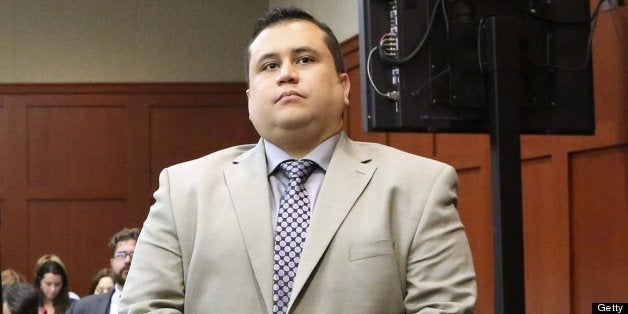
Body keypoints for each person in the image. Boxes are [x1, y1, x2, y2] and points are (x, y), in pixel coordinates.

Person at [120, 6, 476, 313]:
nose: (286, 74)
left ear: (344, 85)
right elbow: (145, 306)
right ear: (249, 98)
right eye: (269, 66)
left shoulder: (420, 186)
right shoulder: (183, 190)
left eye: (304, 59)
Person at [66, 228, 139, 314]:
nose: (127, 260)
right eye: (121, 255)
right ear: (112, 262)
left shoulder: (157, 303)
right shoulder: (82, 308)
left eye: (134, 254)